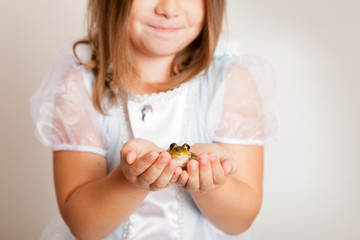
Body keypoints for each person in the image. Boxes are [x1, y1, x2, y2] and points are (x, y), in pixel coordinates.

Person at [30, 0, 278, 239]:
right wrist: (131, 179)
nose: (169, 8)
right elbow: (84, 226)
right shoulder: (81, 85)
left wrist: (208, 179)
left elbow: (240, 220)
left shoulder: (232, 81)